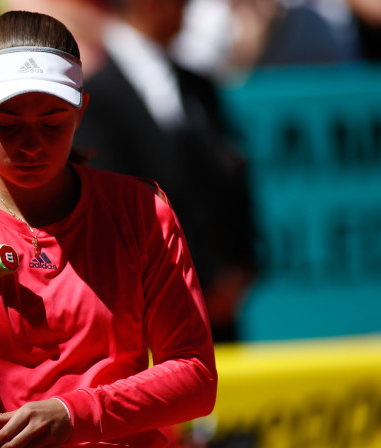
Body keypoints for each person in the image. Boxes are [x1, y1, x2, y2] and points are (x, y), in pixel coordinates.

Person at [0, 10, 217, 448]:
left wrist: (73, 414)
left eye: (52, 122)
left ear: (81, 110)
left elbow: (194, 375)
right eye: (7, 124)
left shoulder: (143, 210)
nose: (30, 144)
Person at [73, 0, 258, 343]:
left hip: (218, 313)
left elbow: (231, 177)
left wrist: (237, 271)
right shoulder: (93, 96)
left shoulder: (199, 86)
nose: (187, 7)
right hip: (145, 317)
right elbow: (111, 206)